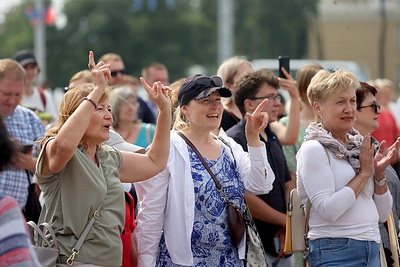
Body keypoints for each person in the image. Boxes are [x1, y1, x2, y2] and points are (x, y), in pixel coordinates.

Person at [35, 51, 171, 266]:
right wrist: (97, 89)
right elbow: (64, 145)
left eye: (109, 109)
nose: (109, 115)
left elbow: (155, 163)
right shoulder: (55, 149)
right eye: (99, 109)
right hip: (72, 260)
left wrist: (164, 111)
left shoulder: (108, 156)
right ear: (76, 114)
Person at [134, 74, 276, 266]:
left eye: (218, 101)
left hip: (229, 260)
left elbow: (261, 185)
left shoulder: (228, 146)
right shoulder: (168, 148)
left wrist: (253, 138)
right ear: (185, 109)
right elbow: (150, 213)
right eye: (205, 101)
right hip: (183, 261)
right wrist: (145, 262)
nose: (215, 106)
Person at [296, 69, 394, 266]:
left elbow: (383, 214)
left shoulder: (359, 147)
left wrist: (379, 175)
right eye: (340, 102)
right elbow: (328, 211)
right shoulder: (313, 149)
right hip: (335, 251)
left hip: (371, 246)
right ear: (318, 108)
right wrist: (365, 173)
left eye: (352, 101)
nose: (349, 109)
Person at [226, 70, 294, 266]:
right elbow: (246, 197)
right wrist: (285, 222)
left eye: (278, 97)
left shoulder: (272, 136)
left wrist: (286, 224)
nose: (277, 103)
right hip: (252, 244)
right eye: (270, 97)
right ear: (249, 104)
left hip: (279, 242)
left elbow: (287, 181)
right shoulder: (235, 140)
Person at [354, 81, 400, 265]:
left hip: (385, 247)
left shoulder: (372, 146)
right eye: (374, 106)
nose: (379, 111)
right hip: (368, 250)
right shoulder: (345, 152)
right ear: (352, 110)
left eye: (379, 105)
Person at [218, 56, 300, 145]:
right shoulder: (220, 116)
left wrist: (294, 96)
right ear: (228, 84)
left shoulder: (262, 117)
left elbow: (289, 138)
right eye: (245, 76)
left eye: (252, 74)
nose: (251, 80)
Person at [0, 58, 46, 211]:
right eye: (6, 94)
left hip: (18, 214)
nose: (12, 100)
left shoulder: (30, 119)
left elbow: (52, 166)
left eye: (18, 95)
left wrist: (28, 163)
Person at [99, 52, 155, 124]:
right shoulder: (95, 100)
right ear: (102, 73)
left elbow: (153, 127)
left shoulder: (137, 101)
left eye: (122, 72)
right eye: (113, 73)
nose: (119, 76)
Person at [14, 49, 58, 119]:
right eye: (25, 67)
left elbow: (53, 121)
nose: (30, 72)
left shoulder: (44, 96)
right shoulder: (11, 98)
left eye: (32, 67)